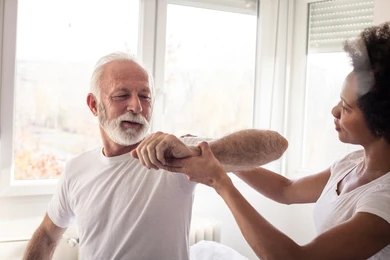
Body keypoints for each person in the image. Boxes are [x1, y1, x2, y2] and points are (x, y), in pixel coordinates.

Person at [138, 22, 390, 259]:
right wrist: (214, 154)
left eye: (346, 108)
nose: (334, 111)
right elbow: (285, 189)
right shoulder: (351, 163)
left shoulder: (384, 198)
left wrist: (220, 181)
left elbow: (295, 258)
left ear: (380, 121)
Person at [23, 52, 288, 260]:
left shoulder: (176, 154)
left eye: (145, 96)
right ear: (94, 105)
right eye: (121, 95)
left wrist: (194, 153)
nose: (136, 106)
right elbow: (47, 234)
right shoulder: (76, 169)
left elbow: (275, 145)